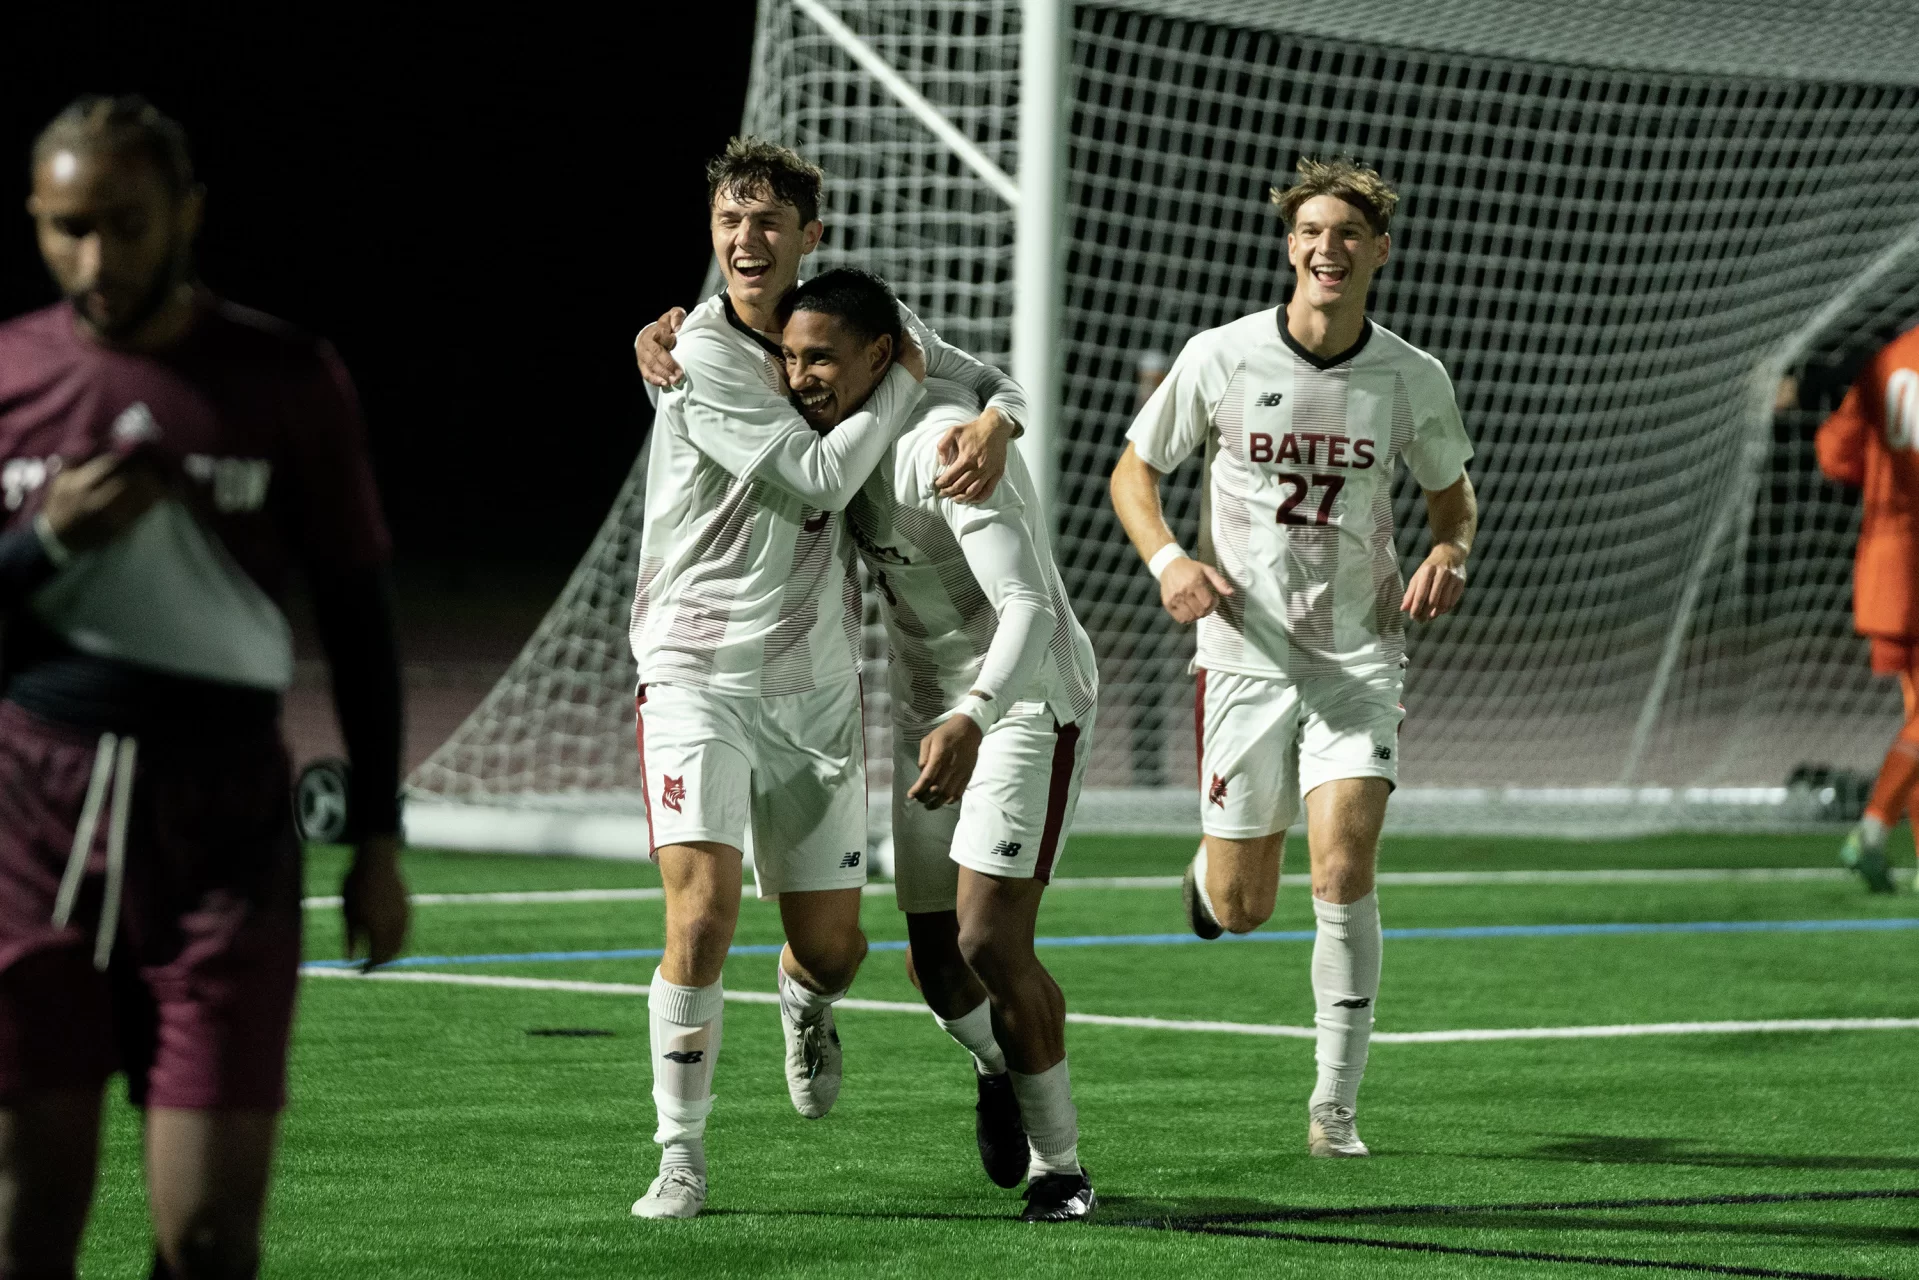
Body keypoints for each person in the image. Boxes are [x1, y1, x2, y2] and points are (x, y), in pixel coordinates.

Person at [0, 96, 408, 1279]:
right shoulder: (12, 372)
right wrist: (46, 545)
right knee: (26, 1229)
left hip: (222, 837)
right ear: (35, 219)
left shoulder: (282, 377)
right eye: (67, 228)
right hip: (33, 828)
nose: (98, 258)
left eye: (126, 224)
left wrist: (377, 833)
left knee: (212, 1238)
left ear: (186, 214)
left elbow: (357, 612)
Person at [625, 138, 1020, 1221]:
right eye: (726, 222)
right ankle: (680, 1154)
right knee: (699, 915)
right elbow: (813, 473)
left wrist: (993, 418)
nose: (743, 241)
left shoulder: (843, 326)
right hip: (693, 668)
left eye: (764, 223)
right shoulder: (696, 352)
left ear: (810, 232)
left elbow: (989, 375)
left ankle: (803, 1001)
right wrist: (896, 392)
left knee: (836, 948)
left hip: (812, 682)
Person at [1107, 156, 1477, 1159]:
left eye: (1348, 234)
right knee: (1239, 907)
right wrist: (1168, 560)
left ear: (1378, 253)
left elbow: (1452, 506)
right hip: (1240, 656)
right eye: (1312, 231)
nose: (1328, 248)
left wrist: (1447, 553)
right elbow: (1133, 473)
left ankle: (1334, 1106)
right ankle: (1206, 872)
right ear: (1289, 246)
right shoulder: (1221, 357)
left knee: (1343, 868)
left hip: (1356, 656)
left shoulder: (1411, 376)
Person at [777, 269, 1099, 1221]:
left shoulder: (942, 448)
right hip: (929, 709)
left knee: (989, 937)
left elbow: (1031, 606)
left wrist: (974, 713)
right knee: (932, 963)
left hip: (1025, 697)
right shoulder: (828, 437)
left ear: (881, 357)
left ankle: (1063, 1170)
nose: (801, 377)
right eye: (791, 359)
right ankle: (999, 1065)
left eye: (821, 359)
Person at [1815, 330, 1919, 893]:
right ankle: (1873, 829)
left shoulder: (1889, 360)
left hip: (1887, 566)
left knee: (1917, 715)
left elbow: (1833, 454)